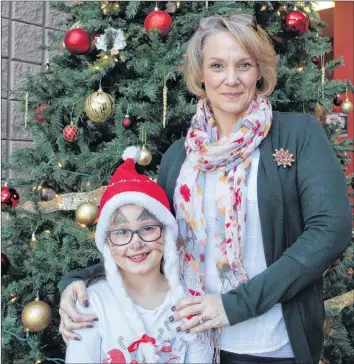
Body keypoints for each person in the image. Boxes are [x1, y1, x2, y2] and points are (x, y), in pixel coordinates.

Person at [59, 14, 352, 364]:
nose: (231, 79)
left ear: (260, 72)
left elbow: (330, 231)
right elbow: (154, 236)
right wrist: (79, 280)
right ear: (201, 74)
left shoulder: (298, 134)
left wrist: (234, 306)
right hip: (191, 344)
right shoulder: (179, 157)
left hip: (273, 345)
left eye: (243, 65)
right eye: (217, 65)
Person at [65, 146, 212, 363]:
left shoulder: (189, 304)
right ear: (108, 243)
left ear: (166, 235)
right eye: (122, 232)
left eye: (147, 229)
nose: (136, 243)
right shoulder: (92, 306)